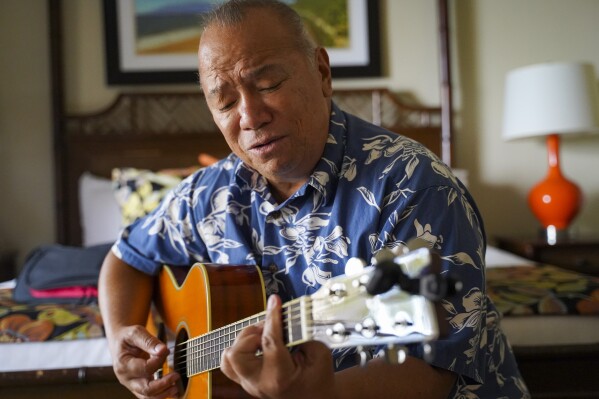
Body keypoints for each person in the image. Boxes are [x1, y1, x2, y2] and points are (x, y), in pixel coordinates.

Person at [98, 1, 530, 398]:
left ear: (322, 72)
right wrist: (121, 335)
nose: (249, 116)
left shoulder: (415, 186)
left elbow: (431, 373)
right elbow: (126, 257)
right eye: (225, 101)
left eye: (267, 83)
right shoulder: (208, 195)